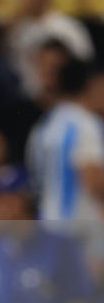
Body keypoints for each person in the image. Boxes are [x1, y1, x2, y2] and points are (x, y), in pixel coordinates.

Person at [26, 59, 104, 224]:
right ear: (95, 83)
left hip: (48, 220)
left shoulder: (46, 124)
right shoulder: (85, 124)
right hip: (78, 230)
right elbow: (93, 182)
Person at [8, 0, 94, 98]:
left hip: (61, 99)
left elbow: (84, 71)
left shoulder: (68, 28)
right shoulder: (13, 30)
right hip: (24, 101)